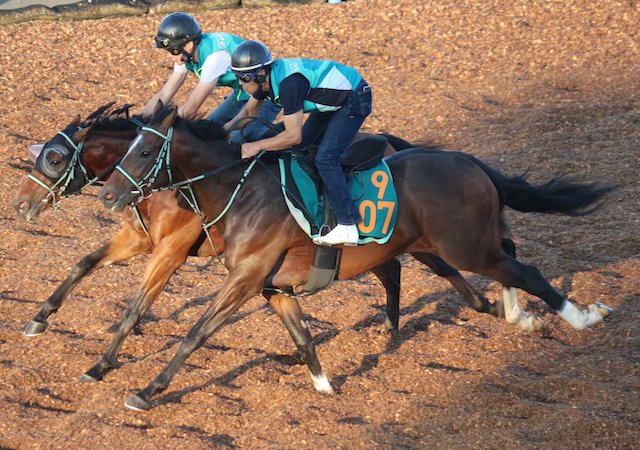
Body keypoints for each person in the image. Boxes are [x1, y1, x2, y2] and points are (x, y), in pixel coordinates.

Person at [226, 40, 372, 246]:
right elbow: (249, 112)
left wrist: (256, 146)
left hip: (353, 98)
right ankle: (322, 202)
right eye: (237, 77)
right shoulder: (264, 79)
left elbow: (293, 136)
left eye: (243, 78)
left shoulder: (289, 85)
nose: (239, 83)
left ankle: (347, 224)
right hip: (332, 101)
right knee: (299, 152)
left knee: (326, 158)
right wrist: (220, 131)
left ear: (259, 75)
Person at [141, 12, 280, 142]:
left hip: (266, 95)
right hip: (243, 93)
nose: (170, 57)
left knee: (234, 142)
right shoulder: (185, 54)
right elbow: (166, 93)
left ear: (188, 45)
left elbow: (191, 108)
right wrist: (138, 119)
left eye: (172, 51)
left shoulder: (214, 58)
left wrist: (159, 129)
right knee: (209, 131)